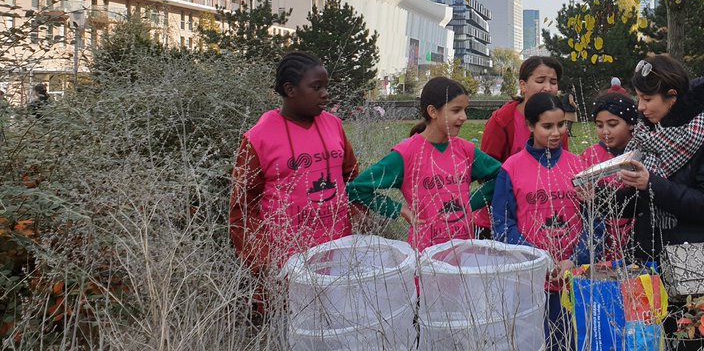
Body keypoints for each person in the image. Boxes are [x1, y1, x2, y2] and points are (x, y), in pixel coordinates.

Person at [609, 55, 704, 346]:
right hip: (646, 260)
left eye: (647, 99)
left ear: (672, 97)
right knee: (646, 341)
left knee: (691, 341)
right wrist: (600, 199)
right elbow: (637, 205)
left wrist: (652, 184)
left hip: (695, 266)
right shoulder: (647, 137)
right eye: (638, 98)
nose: (640, 107)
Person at [229, 52, 360, 273]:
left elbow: (352, 178)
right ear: (290, 90)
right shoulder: (258, 138)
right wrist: (263, 261)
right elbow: (242, 207)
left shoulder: (334, 126)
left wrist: (359, 216)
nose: (325, 94)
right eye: (316, 87)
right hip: (287, 264)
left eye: (326, 87)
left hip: (339, 254)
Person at [346, 77, 501, 251]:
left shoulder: (466, 150)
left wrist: (470, 202)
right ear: (433, 112)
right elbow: (356, 189)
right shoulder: (406, 154)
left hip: (464, 250)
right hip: (425, 255)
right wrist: (399, 209)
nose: (464, 117)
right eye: (456, 110)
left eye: (465, 110)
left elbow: (502, 176)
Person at [493, 92, 595, 351]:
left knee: (574, 341)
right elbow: (503, 226)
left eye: (561, 125)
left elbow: (596, 223)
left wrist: (575, 258)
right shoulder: (511, 168)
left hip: (574, 279)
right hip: (530, 281)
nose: (556, 132)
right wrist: (537, 259)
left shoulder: (578, 166)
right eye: (547, 126)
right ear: (530, 126)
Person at [476, 56, 568, 236]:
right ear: (523, 85)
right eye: (540, 80)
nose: (548, 87)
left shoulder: (557, 123)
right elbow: (486, 173)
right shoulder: (502, 121)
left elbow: (563, 167)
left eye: (553, 82)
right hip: (501, 222)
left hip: (546, 223)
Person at [579, 92, 640, 262]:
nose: (605, 131)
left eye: (612, 124)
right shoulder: (589, 157)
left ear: (631, 124)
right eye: (599, 125)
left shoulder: (644, 153)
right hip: (599, 241)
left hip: (638, 238)